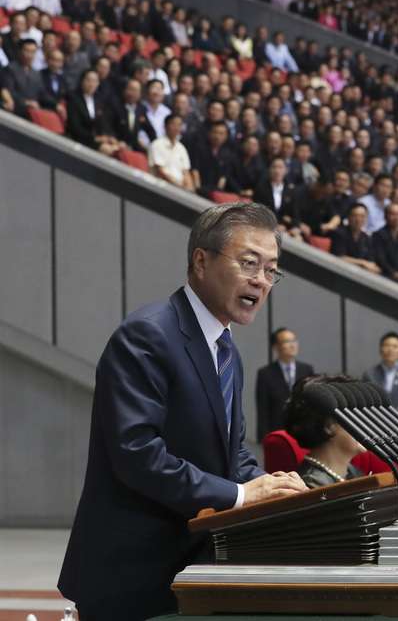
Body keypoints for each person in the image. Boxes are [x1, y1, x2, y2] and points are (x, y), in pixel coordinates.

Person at [58, 203, 308, 620]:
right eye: (249, 263)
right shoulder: (148, 335)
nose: (261, 281)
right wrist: (242, 495)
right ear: (201, 260)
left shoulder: (227, 349)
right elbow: (137, 455)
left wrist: (276, 489)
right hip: (135, 572)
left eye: (271, 270)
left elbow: (231, 453)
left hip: (195, 567)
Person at [282, 374, 367, 488]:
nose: (365, 424)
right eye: (355, 416)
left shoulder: (354, 473)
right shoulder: (310, 485)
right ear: (329, 426)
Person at [255, 327, 314, 441]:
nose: (293, 345)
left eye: (294, 341)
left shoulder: (306, 370)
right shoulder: (266, 374)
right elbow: (262, 408)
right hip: (278, 432)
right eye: (287, 342)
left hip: (303, 432)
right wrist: (263, 437)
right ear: (276, 347)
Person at [362, 332, 398, 420]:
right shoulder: (370, 373)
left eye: (395, 346)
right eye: (386, 345)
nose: (390, 350)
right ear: (380, 349)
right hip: (377, 420)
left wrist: (394, 415)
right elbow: (367, 399)